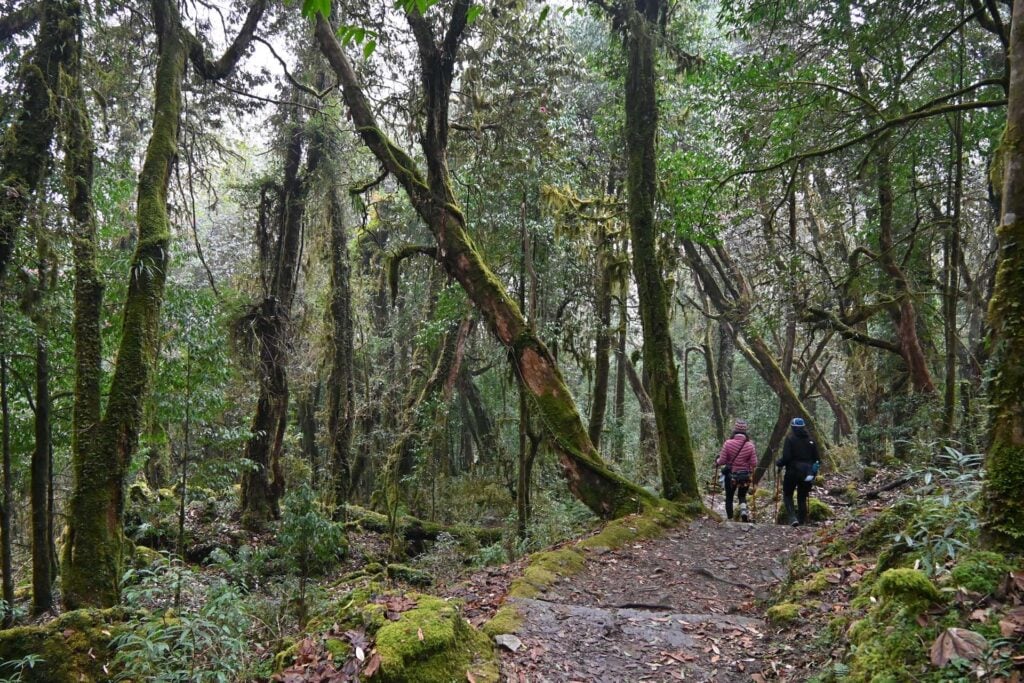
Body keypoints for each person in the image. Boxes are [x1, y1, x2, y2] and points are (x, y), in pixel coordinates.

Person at [776, 417, 820, 526]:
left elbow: (786, 457)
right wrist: (813, 471)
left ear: (792, 427)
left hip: (792, 472)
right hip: (807, 474)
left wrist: (779, 463)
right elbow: (817, 459)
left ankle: (792, 518)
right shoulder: (811, 440)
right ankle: (801, 521)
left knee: (787, 494)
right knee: (802, 496)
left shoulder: (790, 439)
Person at [717, 419, 757, 522]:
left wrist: (717, 460)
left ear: (735, 430)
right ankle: (743, 510)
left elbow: (721, 461)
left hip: (731, 476)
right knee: (742, 495)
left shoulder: (728, 443)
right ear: (745, 431)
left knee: (729, 497)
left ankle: (730, 519)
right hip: (745, 476)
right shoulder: (750, 445)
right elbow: (754, 463)